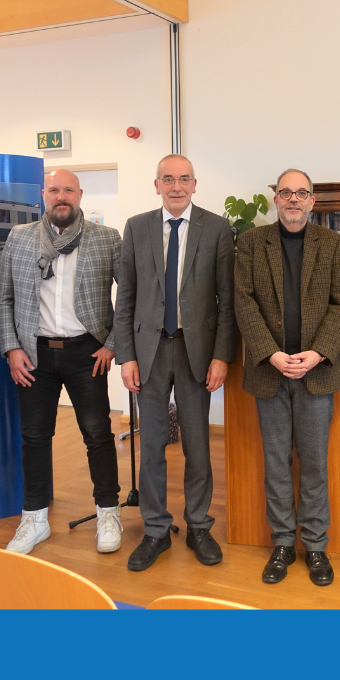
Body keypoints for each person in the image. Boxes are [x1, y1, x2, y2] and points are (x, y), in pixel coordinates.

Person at [113, 155, 237, 571]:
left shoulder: (216, 228)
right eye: (168, 179)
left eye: (184, 179)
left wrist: (221, 355)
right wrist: (126, 355)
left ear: (195, 184)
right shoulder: (137, 227)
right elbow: (125, 297)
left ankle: (199, 524)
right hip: (147, 351)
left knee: (197, 446)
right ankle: (155, 529)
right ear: (157, 185)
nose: (177, 186)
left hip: (195, 351)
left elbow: (227, 301)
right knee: (151, 447)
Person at [0, 169, 123, 555]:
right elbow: (4, 297)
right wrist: (11, 348)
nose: (61, 196)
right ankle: (34, 518)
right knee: (34, 437)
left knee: (97, 434)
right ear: (43, 194)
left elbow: (130, 296)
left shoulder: (106, 238)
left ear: (80, 195)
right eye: (54, 190)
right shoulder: (20, 238)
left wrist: (112, 344)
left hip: (87, 353)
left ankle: (108, 512)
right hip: (33, 354)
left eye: (68, 190)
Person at [234, 168, 340, 586]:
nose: (294, 199)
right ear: (276, 199)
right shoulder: (251, 243)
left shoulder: (331, 244)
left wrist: (317, 353)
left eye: (301, 193)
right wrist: (272, 354)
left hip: (317, 374)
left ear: (312, 201)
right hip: (271, 372)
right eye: (286, 192)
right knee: (277, 462)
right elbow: (244, 303)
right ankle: (283, 542)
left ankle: (316, 545)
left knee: (315, 463)